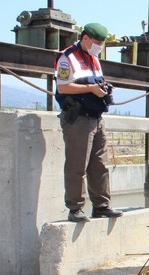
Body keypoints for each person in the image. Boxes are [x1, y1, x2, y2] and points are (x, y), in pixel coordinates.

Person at [54, 22, 123, 223]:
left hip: (96, 116)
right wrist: (91, 90)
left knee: (99, 165)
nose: (99, 46)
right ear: (85, 38)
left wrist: (103, 89)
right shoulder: (67, 57)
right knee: (77, 165)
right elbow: (64, 87)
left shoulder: (93, 58)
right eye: (97, 42)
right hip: (78, 118)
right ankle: (75, 208)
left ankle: (101, 206)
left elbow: (93, 82)